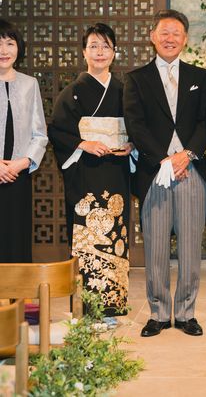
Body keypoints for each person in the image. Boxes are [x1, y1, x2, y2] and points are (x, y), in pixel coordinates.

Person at [124, 10, 206, 337]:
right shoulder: (136, 79)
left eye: (176, 33)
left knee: (190, 247)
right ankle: (159, 313)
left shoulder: (199, 77)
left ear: (185, 39)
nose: (170, 38)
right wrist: (164, 160)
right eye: (164, 32)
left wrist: (186, 155)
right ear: (153, 36)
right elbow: (135, 125)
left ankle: (187, 313)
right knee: (156, 247)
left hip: (191, 171)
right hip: (154, 173)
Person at [49, 23, 132, 316]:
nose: (99, 52)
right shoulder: (72, 92)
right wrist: (84, 144)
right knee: (88, 238)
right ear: (84, 52)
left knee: (116, 235)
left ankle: (114, 304)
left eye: (105, 46)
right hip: (85, 173)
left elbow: (138, 127)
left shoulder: (124, 91)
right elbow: (58, 130)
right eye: (93, 46)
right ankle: (88, 306)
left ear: (114, 52)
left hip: (117, 170)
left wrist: (132, 144)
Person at [0, 20, 48, 263]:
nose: (4, 50)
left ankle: (19, 287)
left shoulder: (30, 84)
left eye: (10, 43)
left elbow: (40, 134)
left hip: (18, 175)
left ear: (18, 48)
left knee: (16, 237)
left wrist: (23, 162)